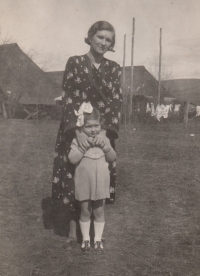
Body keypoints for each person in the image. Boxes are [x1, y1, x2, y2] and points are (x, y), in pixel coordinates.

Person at [51, 21, 122, 243]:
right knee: (74, 176)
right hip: (76, 131)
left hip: (102, 132)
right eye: (100, 37)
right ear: (90, 37)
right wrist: (77, 132)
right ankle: (74, 230)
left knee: (98, 175)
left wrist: (104, 134)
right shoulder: (75, 63)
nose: (103, 42)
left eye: (108, 39)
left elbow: (116, 102)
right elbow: (69, 97)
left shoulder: (114, 68)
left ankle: (95, 228)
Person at [68, 104, 116, 254]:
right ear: (82, 127)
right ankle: (86, 239)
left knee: (99, 211)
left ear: (101, 126)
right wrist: (82, 148)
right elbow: (72, 159)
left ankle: (98, 240)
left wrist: (107, 148)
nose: (93, 130)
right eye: (89, 126)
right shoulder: (78, 140)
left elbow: (112, 157)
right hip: (84, 183)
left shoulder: (104, 139)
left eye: (96, 125)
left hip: (101, 182)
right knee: (85, 211)